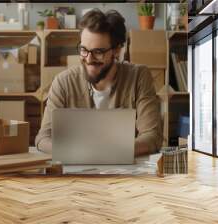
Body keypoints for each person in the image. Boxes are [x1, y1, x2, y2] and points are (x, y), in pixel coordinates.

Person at [35, 8, 162, 156]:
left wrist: (106, 152)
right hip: (76, 170)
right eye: (84, 50)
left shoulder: (139, 76)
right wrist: (76, 152)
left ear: (117, 50)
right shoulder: (63, 82)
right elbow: (43, 138)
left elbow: (152, 137)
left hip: (123, 171)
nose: (88, 59)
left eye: (98, 52)